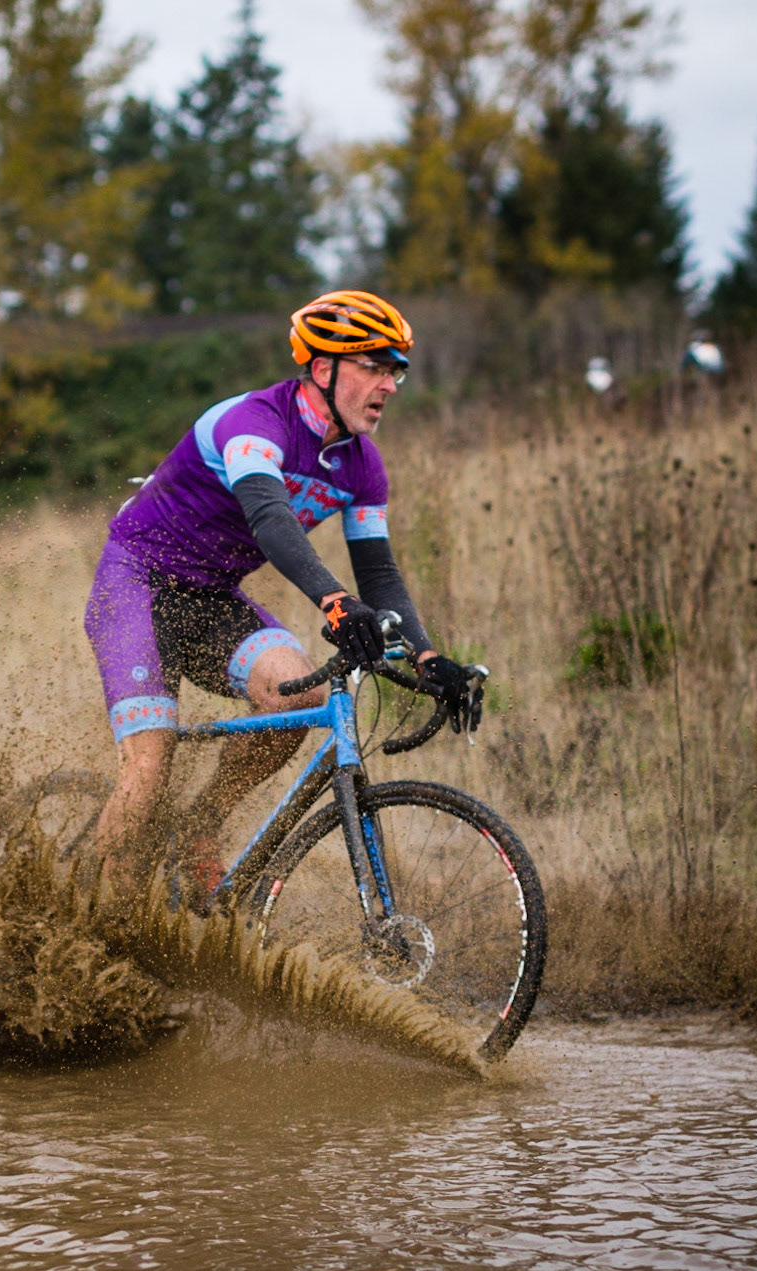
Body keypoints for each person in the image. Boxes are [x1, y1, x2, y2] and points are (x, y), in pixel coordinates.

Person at [82, 290, 480, 904]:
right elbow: (270, 518)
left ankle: (201, 825)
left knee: (298, 691)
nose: (390, 384)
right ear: (324, 370)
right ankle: (99, 926)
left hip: (209, 599)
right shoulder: (253, 423)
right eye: (374, 365)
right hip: (135, 583)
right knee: (151, 763)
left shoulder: (362, 466)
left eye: (395, 369)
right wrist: (334, 603)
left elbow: (379, 571)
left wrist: (427, 657)